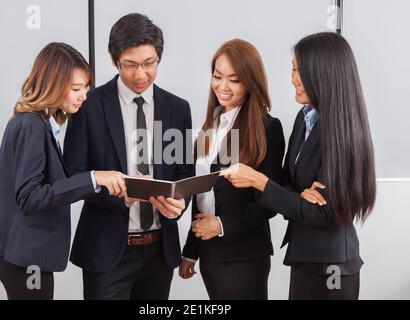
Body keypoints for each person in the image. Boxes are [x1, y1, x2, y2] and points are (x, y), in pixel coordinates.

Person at [222, 32, 376, 300]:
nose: (293, 80)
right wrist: (298, 195)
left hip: (332, 265)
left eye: (299, 71)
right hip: (304, 256)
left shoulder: (342, 131)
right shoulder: (304, 119)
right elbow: (287, 184)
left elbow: (324, 213)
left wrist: (259, 181)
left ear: (324, 74)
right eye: (292, 70)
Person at [63, 13, 194, 300]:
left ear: (159, 58)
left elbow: (184, 173)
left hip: (161, 250)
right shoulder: (89, 106)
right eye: (130, 65)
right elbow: (73, 175)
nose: (140, 74)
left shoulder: (178, 109)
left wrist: (179, 203)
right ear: (114, 60)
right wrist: (119, 195)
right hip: (106, 251)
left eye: (149, 64)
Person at [0, 42, 127, 300]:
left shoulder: (38, 123)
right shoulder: (31, 125)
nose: (83, 96)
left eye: (86, 88)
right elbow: (30, 197)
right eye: (76, 89)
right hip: (25, 260)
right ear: (52, 83)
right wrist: (94, 178)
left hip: (25, 257)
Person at [179, 39, 285, 299]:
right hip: (210, 253)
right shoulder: (210, 126)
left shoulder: (267, 127)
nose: (222, 86)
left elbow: (270, 201)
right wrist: (191, 250)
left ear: (250, 82)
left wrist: (222, 224)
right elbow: (202, 195)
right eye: (217, 76)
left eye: (234, 80)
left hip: (244, 255)